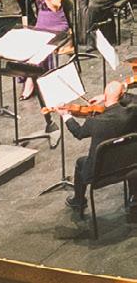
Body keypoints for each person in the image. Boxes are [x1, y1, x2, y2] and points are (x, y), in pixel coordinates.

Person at [58, 81, 137, 216]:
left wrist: (66, 115)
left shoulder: (95, 122)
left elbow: (79, 133)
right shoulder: (132, 112)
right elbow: (133, 99)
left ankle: (78, 201)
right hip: (130, 167)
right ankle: (134, 198)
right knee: (128, 152)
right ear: (122, 95)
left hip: (99, 174)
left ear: (105, 96)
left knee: (81, 162)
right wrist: (110, 96)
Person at [12, 0, 68, 102]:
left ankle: (31, 81)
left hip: (57, 22)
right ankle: (33, 76)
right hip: (41, 22)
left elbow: (56, 7)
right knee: (30, 44)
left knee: (43, 46)